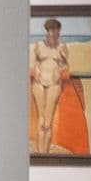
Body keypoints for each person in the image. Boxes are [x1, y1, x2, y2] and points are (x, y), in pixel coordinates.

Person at [30, 18, 70, 154]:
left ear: (59, 32)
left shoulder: (62, 47)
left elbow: (66, 66)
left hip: (54, 84)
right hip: (39, 84)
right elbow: (33, 63)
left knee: (48, 122)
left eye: (56, 32)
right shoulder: (39, 45)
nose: (53, 34)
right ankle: (41, 153)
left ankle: (45, 153)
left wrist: (61, 69)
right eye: (51, 31)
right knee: (41, 122)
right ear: (47, 32)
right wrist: (36, 70)